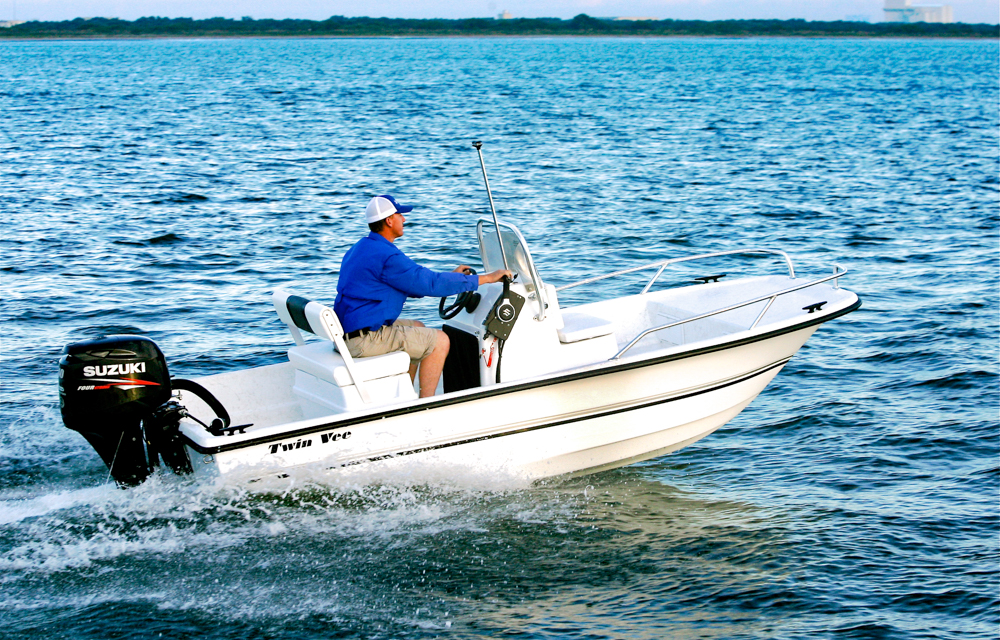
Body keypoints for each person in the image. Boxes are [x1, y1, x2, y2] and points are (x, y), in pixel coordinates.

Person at [335, 194, 512, 398]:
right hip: (364, 340)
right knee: (440, 341)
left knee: (418, 327)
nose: (404, 219)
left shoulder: (362, 248)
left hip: (351, 334)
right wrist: (488, 278)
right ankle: (425, 405)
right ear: (388, 220)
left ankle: (406, 396)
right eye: (400, 214)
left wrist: (452, 279)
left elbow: (416, 285)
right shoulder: (387, 256)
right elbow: (431, 283)